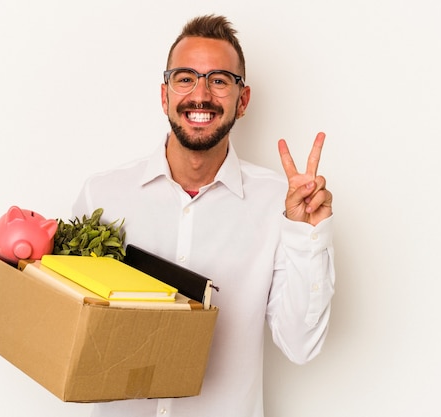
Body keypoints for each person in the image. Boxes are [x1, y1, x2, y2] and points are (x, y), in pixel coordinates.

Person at [72, 14, 335, 417]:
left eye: (219, 80)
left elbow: (300, 345)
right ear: (165, 95)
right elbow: (74, 329)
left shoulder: (278, 206)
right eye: (185, 78)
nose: (201, 94)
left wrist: (307, 236)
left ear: (241, 100)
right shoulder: (103, 195)